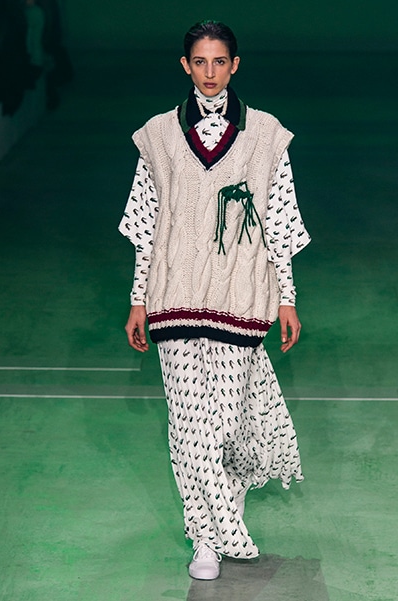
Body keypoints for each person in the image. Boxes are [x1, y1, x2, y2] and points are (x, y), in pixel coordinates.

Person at [118, 20, 310, 581]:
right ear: (185, 65)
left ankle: (223, 515)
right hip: (172, 296)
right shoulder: (158, 136)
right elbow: (145, 225)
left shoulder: (266, 135)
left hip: (239, 296)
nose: (209, 72)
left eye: (219, 61)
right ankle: (207, 536)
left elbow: (279, 222)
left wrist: (287, 298)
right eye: (199, 62)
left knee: (223, 425)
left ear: (235, 65)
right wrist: (137, 297)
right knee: (188, 427)